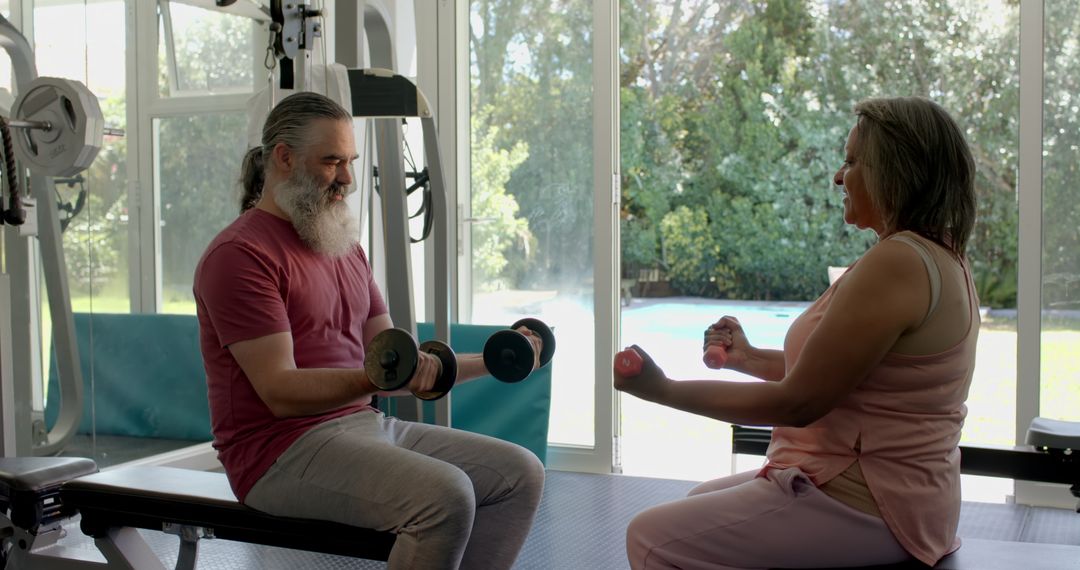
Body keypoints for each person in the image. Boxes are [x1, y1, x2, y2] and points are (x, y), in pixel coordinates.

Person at [614, 96, 979, 569]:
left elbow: (800, 404)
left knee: (652, 538)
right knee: (700, 498)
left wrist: (660, 390)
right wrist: (747, 358)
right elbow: (849, 373)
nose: (837, 177)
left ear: (896, 170)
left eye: (851, 161)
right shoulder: (938, 254)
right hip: (893, 493)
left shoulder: (901, 261)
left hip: (876, 500)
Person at [193, 91, 545, 570]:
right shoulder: (240, 256)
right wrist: (379, 377)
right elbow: (280, 391)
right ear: (283, 158)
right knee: (446, 496)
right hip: (277, 454)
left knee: (519, 473)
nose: (348, 179)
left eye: (350, 161)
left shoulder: (342, 248)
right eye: (332, 162)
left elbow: (401, 361)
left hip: (363, 427)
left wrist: (497, 359)